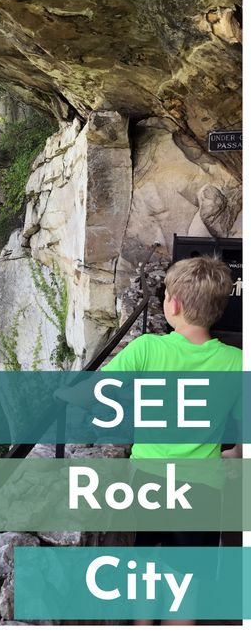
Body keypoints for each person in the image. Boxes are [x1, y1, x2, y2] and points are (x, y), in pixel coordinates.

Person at [101, 254, 242, 626]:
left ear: (172, 304)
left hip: (147, 482)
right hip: (201, 489)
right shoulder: (235, 361)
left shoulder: (148, 349)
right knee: (185, 589)